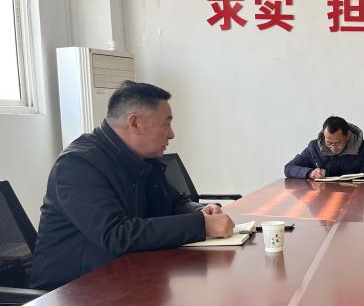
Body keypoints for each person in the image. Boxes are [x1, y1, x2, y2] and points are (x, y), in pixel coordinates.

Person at [30, 81, 234, 290]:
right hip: (70, 292)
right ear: (135, 123)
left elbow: (173, 203)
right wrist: (200, 225)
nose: (171, 134)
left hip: (125, 276)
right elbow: (116, 234)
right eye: (166, 124)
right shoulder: (78, 165)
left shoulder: (141, 158)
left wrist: (201, 212)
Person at [284, 116, 364, 179]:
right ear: (324, 136)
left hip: (353, 195)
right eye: (329, 143)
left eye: (338, 143)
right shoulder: (314, 147)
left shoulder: (362, 147)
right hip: (322, 195)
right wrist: (310, 173)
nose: (333, 148)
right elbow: (289, 168)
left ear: (347, 136)